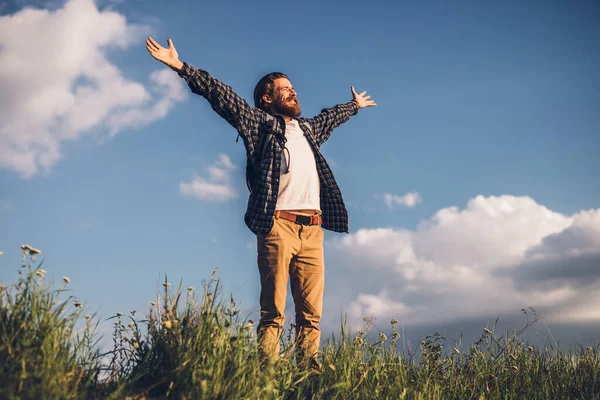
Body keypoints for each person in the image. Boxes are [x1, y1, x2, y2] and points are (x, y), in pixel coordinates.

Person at [146, 37, 376, 370]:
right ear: (267, 98)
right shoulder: (260, 125)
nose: (293, 92)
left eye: (293, 88)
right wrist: (182, 67)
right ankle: (267, 370)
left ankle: (308, 368)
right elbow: (220, 95)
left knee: (311, 311)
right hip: (277, 226)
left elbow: (330, 117)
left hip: (312, 229)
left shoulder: (309, 130)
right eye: (285, 89)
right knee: (274, 308)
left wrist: (353, 106)